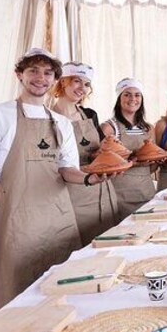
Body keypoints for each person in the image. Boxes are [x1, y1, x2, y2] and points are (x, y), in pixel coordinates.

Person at [0, 48, 110, 311]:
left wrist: (91, 178)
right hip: (19, 223)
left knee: (64, 295)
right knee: (16, 297)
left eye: (47, 72)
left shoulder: (61, 123)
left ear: (54, 79)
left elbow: (67, 170)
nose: (40, 78)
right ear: (19, 74)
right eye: (33, 71)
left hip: (60, 221)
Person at [50, 62, 119, 247]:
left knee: (109, 244)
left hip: (103, 188)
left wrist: (104, 148)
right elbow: (52, 162)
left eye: (87, 84)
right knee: (85, 247)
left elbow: (96, 150)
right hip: (75, 192)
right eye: (76, 81)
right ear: (63, 82)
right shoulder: (49, 118)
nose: (82, 88)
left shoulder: (89, 114)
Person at [100, 78, 157, 217]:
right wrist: (132, 162)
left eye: (137, 95)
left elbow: (152, 168)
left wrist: (156, 160)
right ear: (119, 98)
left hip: (147, 193)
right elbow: (102, 164)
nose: (133, 99)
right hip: (120, 195)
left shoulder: (148, 128)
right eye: (127, 94)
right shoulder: (109, 127)